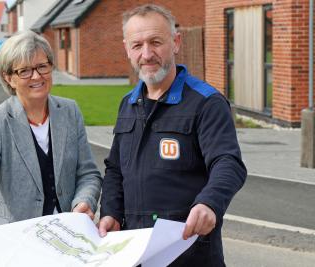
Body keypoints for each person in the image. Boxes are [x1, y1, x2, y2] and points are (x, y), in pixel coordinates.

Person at [98, 4, 246, 266]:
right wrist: (110, 212)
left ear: (176, 42)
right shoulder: (128, 104)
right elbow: (116, 169)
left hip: (189, 251)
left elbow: (228, 163)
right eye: (137, 45)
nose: (146, 54)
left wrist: (209, 204)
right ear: (127, 50)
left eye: (156, 42)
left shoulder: (206, 102)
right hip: (134, 251)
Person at [0, 31, 102, 240]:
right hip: (13, 235)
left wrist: (83, 202)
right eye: (24, 71)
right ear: (9, 78)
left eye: (42, 66)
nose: (36, 76)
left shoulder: (70, 111)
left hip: (66, 233)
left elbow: (88, 174)